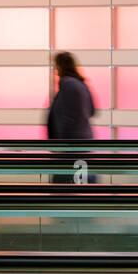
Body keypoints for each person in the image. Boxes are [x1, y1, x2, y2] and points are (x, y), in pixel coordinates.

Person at [45, 51, 97, 184]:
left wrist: (60, 143)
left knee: (64, 181)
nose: (55, 71)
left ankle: (67, 202)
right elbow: (92, 111)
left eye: (56, 66)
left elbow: (65, 118)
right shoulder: (82, 84)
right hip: (83, 141)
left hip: (71, 144)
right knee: (82, 177)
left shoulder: (67, 85)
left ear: (61, 66)